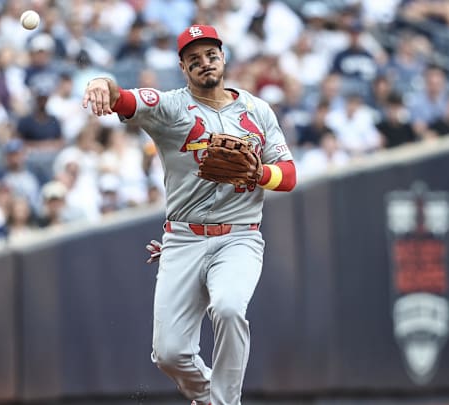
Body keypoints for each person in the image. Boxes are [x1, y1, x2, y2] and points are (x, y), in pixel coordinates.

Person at [83, 25, 296, 405]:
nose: (204, 64)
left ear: (223, 57)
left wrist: (259, 173)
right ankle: (208, 396)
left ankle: (225, 403)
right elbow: (125, 100)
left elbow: (290, 176)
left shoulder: (256, 111)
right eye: (194, 60)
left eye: (211, 55)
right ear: (183, 67)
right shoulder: (170, 107)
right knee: (169, 354)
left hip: (239, 235)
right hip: (183, 239)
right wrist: (102, 81)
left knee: (229, 308)